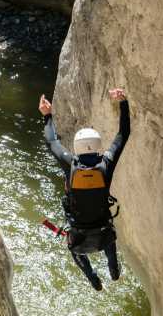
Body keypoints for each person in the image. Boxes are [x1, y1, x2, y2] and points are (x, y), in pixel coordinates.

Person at [39, 88, 130, 290]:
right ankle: (114, 271)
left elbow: (52, 141)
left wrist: (47, 116)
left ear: (77, 146)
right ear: (97, 145)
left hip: (79, 237)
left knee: (74, 249)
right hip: (103, 234)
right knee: (110, 238)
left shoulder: (69, 165)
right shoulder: (106, 164)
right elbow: (123, 134)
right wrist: (123, 102)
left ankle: (93, 279)